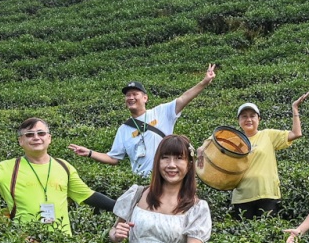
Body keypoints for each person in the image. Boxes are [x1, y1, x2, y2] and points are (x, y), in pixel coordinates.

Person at [108, 134, 227, 243]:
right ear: (158, 162)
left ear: (189, 164)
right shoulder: (137, 194)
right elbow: (115, 230)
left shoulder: (196, 208)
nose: (171, 164)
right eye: (165, 157)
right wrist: (116, 234)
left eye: (179, 158)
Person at [70, 65, 218, 177]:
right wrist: (89, 152)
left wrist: (204, 82)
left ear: (145, 98)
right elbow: (113, 158)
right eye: (128, 95)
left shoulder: (161, 112)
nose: (131, 98)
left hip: (166, 176)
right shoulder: (124, 129)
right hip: (141, 180)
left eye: (135, 94)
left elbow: (184, 98)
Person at [228, 95, 308, 219]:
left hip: (267, 194)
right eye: (244, 116)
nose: (248, 119)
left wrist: (295, 109)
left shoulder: (268, 135)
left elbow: (296, 133)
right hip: (242, 197)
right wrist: (201, 150)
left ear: (259, 119)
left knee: (267, 232)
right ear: (238, 121)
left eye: (252, 116)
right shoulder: (234, 141)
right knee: (244, 234)